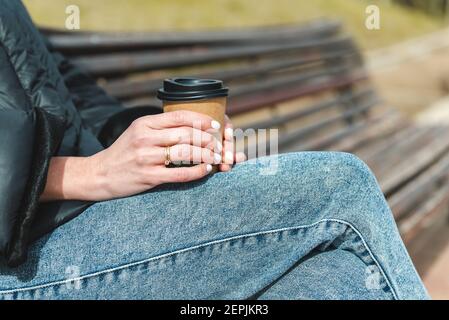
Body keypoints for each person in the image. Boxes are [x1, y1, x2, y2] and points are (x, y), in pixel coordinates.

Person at [0, 0, 428, 300]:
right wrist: (90, 172)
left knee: (336, 276)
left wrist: (158, 135)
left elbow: (56, 84)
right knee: (341, 189)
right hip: (27, 259)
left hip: (77, 219)